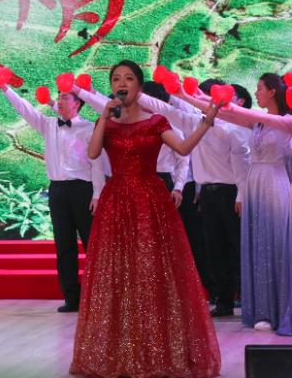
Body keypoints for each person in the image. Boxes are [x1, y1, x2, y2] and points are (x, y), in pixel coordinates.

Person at [71, 60, 221, 378]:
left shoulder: (156, 121)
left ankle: (159, 349)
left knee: (153, 272)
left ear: (139, 86)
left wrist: (206, 123)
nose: (121, 83)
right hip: (116, 202)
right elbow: (93, 154)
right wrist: (103, 117)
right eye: (116, 79)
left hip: (150, 201)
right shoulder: (107, 122)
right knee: (119, 273)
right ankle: (122, 351)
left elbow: (183, 149)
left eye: (128, 78)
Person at [180, 73, 292, 333]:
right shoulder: (259, 123)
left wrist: (214, 100)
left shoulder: (286, 121)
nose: (257, 92)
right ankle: (263, 309)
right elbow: (227, 114)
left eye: (260, 88)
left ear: (272, 91)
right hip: (255, 183)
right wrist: (188, 96)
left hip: (275, 184)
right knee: (258, 245)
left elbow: (240, 113)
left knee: (274, 244)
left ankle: (279, 308)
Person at [134, 77, 251, 317]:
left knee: (237, 246)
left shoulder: (232, 129)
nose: (198, 103)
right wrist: (135, 93)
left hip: (231, 193)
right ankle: (224, 300)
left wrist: (241, 194)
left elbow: (242, 167)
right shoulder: (194, 122)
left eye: (203, 99)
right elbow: (166, 107)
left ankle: (247, 297)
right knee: (214, 248)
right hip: (207, 194)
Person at [0, 83, 106, 312]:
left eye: (65, 97)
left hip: (83, 189)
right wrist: (6, 88)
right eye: (59, 96)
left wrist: (98, 194)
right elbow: (26, 110)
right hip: (57, 190)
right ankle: (71, 297)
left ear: (77, 103)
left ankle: (100, 296)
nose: (59, 100)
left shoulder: (89, 128)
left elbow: (97, 163)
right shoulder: (48, 125)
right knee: (64, 245)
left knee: (92, 244)